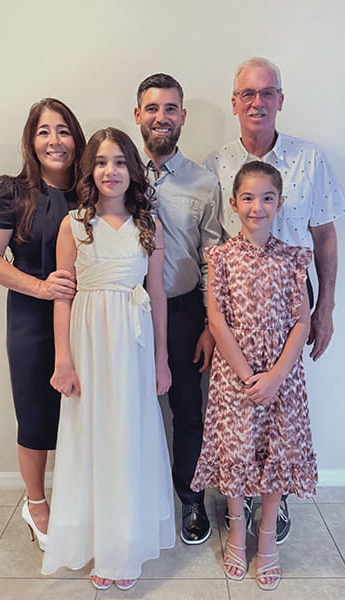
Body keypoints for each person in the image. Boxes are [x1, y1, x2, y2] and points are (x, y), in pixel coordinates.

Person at [203, 56, 345, 543]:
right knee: (242, 406)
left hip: (291, 297)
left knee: (281, 402)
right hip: (234, 302)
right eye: (248, 93)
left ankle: (274, 501)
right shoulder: (215, 164)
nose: (258, 102)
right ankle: (236, 506)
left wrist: (324, 307)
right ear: (234, 103)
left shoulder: (310, 158)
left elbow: (324, 236)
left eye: (267, 93)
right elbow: (209, 242)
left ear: (281, 100)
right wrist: (210, 320)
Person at [42, 127, 175, 591]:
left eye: (119, 161)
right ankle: (98, 541)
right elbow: (63, 296)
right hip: (88, 345)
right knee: (93, 436)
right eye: (100, 162)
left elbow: (156, 294)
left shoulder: (147, 226)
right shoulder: (74, 225)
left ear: (131, 170)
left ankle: (127, 543)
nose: (110, 170)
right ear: (89, 170)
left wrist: (161, 359)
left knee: (129, 435)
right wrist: (63, 360)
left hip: (134, 347)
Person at [191, 161, 316, 591]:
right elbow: (216, 319)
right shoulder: (221, 257)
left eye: (266, 198)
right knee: (238, 454)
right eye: (248, 197)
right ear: (233, 203)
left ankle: (266, 540)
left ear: (279, 203)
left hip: (281, 382)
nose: (257, 207)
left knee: (275, 456)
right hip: (235, 379)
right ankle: (237, 530)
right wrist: (248, 377)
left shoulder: (295, 258)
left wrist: (276, 376)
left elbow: (302, 321)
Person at [0, 98, 86, 551]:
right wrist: (41, 288)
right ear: (31, 140)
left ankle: (80, 499)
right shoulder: (11, 191)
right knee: (36, 410)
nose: (54, 141)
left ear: (76, 137)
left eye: (62, 130)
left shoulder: (93, 188)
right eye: (44, 131)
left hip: (86, 317)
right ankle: (36, 502)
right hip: (30, 317)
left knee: (82, 410)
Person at [133, 73, 223, 544]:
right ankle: (132, 502)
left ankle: (191, 501)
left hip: (185, 311)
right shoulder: (115, 172)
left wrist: (210, 323)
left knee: (189, 410)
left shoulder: (204, 183)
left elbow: (213, 259)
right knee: (128, 408)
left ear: (182, 117)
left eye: (170, 108)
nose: (161, 117)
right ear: (138, 115)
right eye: (152, 108)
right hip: (126, 311)